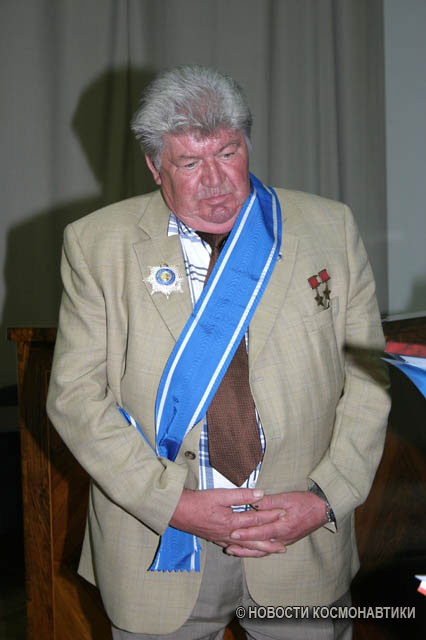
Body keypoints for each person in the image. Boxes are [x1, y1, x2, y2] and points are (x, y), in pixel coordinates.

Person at [47, 65, 390, 640]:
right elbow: (76, 399)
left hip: (299, 541)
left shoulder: (329, 227)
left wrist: (326, 498)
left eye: (228, 153)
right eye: (189, 163)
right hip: (159, 542)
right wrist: (173, 505)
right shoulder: (97, 244)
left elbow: (368, 379)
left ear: (247, 143)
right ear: (155, 167)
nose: (215, 181)